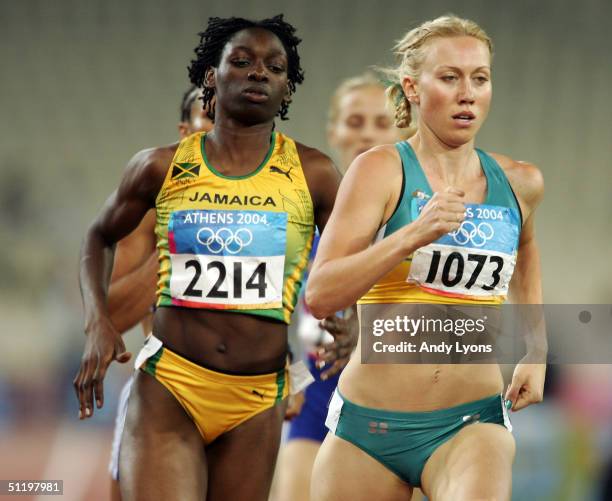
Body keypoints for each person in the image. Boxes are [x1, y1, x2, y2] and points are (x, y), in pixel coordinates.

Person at [74, 15, 354, 501]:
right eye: (242, 62)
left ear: (287, 88)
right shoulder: (161, 166)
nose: (259, 73)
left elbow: (352, 260)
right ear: (211, 75)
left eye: (275, 66)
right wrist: (96, 319)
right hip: (171, 388)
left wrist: (354, 317)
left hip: (257, 398)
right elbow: (99, 236)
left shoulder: (314, 173)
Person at [307, 15, 546, 501]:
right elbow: (321, 293)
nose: (468, 93)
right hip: (367, 431)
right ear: (413, 88)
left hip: (470, 420)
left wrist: (535, 351)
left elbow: (524, 249)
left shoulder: (521, 182)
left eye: (480, 78)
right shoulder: (379, 170)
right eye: (450, 77)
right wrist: (411, 235)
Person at [275, 72, 411, 501]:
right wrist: (292, 380)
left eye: (380, 121)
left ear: (404, 129)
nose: (367, 132)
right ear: (333, 130)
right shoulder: (300, 219)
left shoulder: (420, 220)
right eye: (354, 121)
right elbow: (278, 320)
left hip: (397, 407)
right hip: (316, 398)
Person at [107, 85, 214, 500]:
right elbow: (111, 316)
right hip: (166, 393)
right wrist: (169, 249)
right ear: (185, 131)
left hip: (249, 397)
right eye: (210, 114)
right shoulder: (148, 208)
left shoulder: (278, 207)